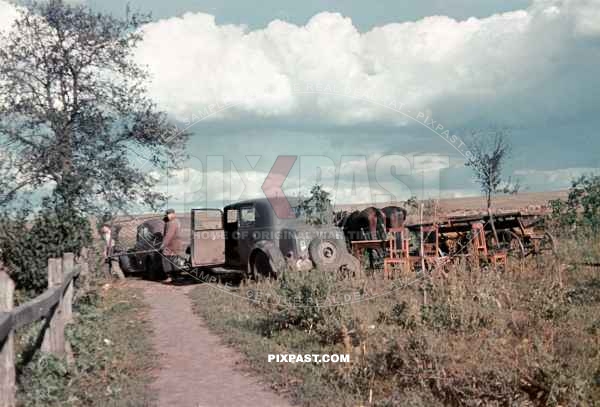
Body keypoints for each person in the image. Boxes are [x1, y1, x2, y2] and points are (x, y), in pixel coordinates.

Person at [161, 208, 183, 283]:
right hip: (176, 244)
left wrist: (163, 245)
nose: (166, 216)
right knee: (175, 259)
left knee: (166, 259)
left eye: (167, 214)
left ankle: (171, 277)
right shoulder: (176, 221)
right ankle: (177, 276)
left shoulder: (171, 223)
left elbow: (168, 235)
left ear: (171, 214)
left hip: (171, 244)